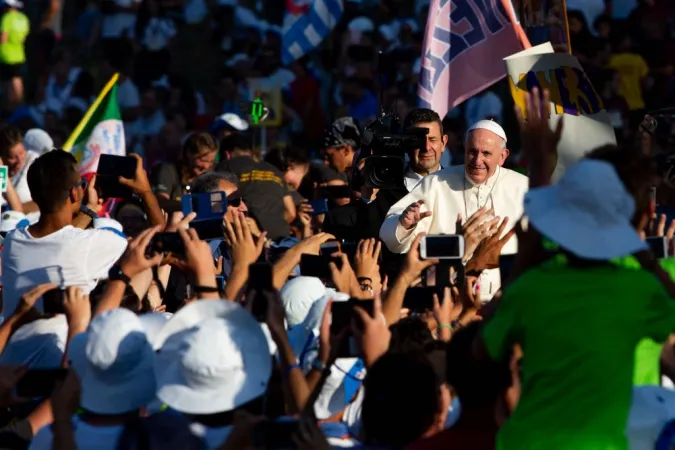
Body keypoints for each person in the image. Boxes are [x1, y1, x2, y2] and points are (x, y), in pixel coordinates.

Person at [477, 159, 675, 450]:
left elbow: (481, 352)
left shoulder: (531, 286)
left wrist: (520, 267)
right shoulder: (641, 286)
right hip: (614, 437)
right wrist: (644, 254)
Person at [379, 120, 528, 302]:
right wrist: (404, 224)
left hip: (505, 300)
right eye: (472, 152)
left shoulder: (523, 188)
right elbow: (390, 237)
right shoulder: (436, 183)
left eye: (486, 154)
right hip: (447, 298)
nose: (477, 160)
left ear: (503, 156)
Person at [215, 133, 294, 241]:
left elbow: (215, 203)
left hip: (252, 239)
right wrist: (271, 227)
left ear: (227, 154)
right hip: (283, 239)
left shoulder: (226, 166)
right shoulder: (273, 169)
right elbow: (291, 212)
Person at [150, 131, 218, 207]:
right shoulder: (168, 171)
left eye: (211, 161)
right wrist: (189, 207)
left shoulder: (212, 176)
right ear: (188, 153)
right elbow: (161, 201)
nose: (206, 166)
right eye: (202, 160)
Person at [0, 124, 39, 210]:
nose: (20, 160)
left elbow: (49, 200)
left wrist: (17, 209)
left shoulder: (34, 162)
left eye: (21, 153)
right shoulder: (2, 171)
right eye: (12, 157)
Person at [0, 0, 29, 112]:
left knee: (9, 85)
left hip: (6, 55)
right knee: (17, 81)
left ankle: (11, 111)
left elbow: (3, 38)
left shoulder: (6, 18)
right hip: (19, 54)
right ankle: (19, 107)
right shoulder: (23, 18)